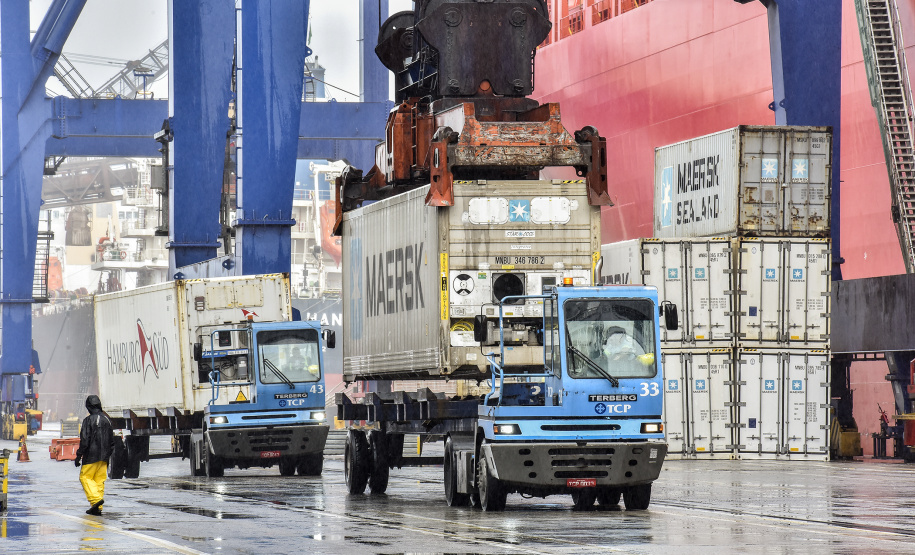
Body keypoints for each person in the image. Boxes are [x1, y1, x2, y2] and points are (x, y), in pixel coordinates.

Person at [74, 395, 115, 516]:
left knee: (85, 478)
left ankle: (96, 501)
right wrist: (107, 454)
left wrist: (78, 456)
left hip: (91, 456)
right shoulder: (107, 420)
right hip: (104, 457)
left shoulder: (88, 420)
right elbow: (112, 441)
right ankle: (97, 507)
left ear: (89, 407)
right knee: (99, 480)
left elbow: (85, 440)